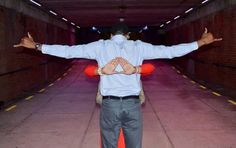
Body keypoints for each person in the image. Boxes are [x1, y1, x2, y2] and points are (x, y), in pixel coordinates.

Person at [14, 23, 222, 148]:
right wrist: (200, 42)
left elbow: (68, 51)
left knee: (109, 144)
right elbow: (170, 51)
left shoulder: (99, 46)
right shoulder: (139, 47)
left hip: (110, 105)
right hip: (132, 105)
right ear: (128, 35)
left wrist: (37, 46)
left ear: (110, 35)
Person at [84, 63, 155, 104]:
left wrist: (135, 69)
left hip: (128, 99)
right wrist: (101, 71)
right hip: (112, 100)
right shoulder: (108, 61)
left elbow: (150, 68)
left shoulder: (130, 60)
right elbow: (88, 71)